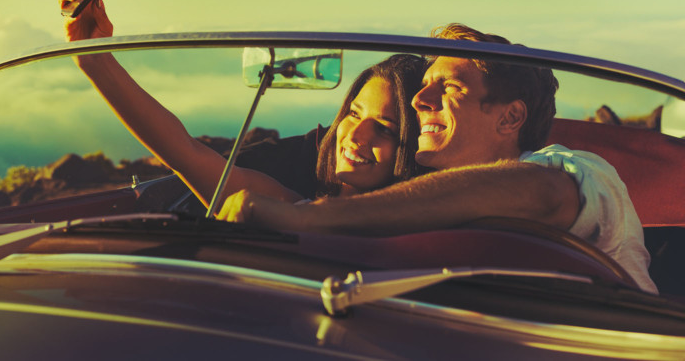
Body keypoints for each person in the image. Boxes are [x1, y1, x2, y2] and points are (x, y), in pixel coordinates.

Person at [217, 23, 657, 294]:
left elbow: (542, 194)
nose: (419, 100)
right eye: (424, 85)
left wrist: (311, 217)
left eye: (447, 88)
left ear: (511, 117)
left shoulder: (579, 170)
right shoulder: (416, 202)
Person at [58, 0, 427, 208]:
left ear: (410, 147)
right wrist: (94, 60)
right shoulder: (290, 207)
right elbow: (184, 153)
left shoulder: (417, 235)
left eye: (385, 128)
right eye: (353, 114)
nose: (357, 136)